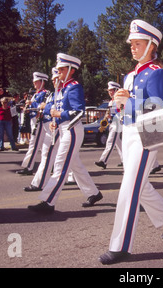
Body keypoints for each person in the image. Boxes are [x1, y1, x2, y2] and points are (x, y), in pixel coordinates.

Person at [99, 20, 163, 265]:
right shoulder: (131, 74)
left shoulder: (156, 72)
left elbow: (157, 105)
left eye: (138, 43)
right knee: (139, 185)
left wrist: (128, 102)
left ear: (151, 45)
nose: (133, 48)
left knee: (129, 188)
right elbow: (124, 105)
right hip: (130, 130)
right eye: (132, 44)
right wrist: (118, 105)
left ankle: (121, 246)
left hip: (149, 130)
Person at [28, 53, 102, 213]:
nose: (58, 72)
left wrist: (58, 115)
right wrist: (56, 120)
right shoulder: (64, 88)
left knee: (60, 165)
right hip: (64, 129)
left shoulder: (74, 87)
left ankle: (48, 201)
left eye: (61, 69)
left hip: (72, 129)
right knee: (76, 165)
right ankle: (94, 193)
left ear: (71, 70)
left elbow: (78, 112)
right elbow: (59, 109)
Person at [24, 68, 61, 192]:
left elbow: (64, 109)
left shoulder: (63, 92)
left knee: (53, 154)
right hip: (50, 125)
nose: (54, 81)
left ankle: (39, 183)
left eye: (56, 78)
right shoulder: (52, 94)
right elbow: (46, 107)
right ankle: (92, 191)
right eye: (53, 79)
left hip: (59, 127)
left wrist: (43, 107)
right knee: (49, 154)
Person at [17, 73, 48, 175]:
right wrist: (28, 110)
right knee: (43, 146)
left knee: (34, 144)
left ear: (42, 82)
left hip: (39, 121)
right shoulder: (35, 94)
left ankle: (28, 167)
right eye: (34, 81)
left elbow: (43, 106)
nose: (34, 83)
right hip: (33, 120)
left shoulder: (45, 93)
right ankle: (47, 165)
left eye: (36, 81)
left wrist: (32, 104)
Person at [95, 81, 123, 169]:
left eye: (111, 90)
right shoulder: (111, 101)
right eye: (109, 91)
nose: (110, 92)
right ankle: (124, 160)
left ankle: (103, 161)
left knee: (110, 142)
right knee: (119, 144)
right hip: (113, 124)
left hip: (117, 124)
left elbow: (122, 113)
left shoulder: (120, 100)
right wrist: (105, 121)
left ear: (116, 90)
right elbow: (109, 113)